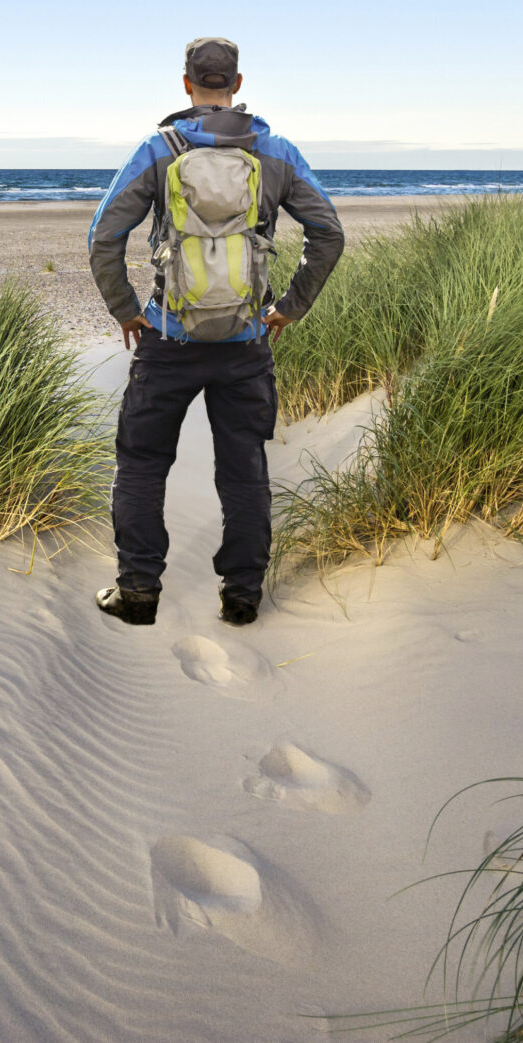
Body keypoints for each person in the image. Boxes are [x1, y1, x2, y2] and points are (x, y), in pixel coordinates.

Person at [86, 37, 344, 627]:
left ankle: (139, 592)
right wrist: (290, 308)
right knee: (244, 471)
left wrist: (126, 311)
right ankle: (242, 597)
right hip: (248, 343)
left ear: (185, 84)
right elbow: (328, 234)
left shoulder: (159, 149)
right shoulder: (273, 150)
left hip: (168, 341)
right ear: (237, 82)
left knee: (143, 466)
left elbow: (104, 236)